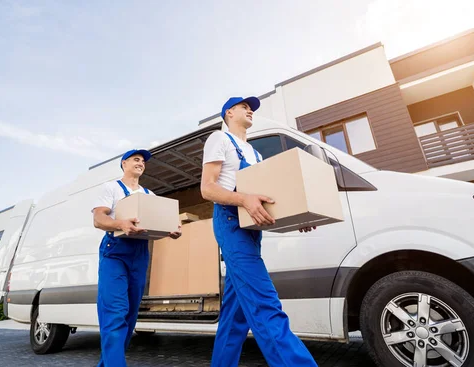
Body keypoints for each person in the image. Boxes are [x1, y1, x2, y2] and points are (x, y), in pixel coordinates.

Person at [201, 96, 318, 367]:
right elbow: (207, 189)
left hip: (251, 229)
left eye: (251, 107)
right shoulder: (219, 140)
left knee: (235, 315)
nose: (250, 109)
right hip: (231, 223)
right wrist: (242, 199)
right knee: (265, 304)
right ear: (228, 112)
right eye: (244, 106)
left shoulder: (255, 155)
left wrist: (298, 215)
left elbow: (266, 201)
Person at [92, 149, 181, 367]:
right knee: (115, 314)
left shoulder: (148, 194)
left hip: (139, 254)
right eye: (136, 159)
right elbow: (98, 218)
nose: (141, 163)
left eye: (143, 161)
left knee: (130, 316)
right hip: (115, 251)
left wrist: (169, 229)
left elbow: (154, 224)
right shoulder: (112, 188)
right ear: (124, 163)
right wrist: (119, 224)